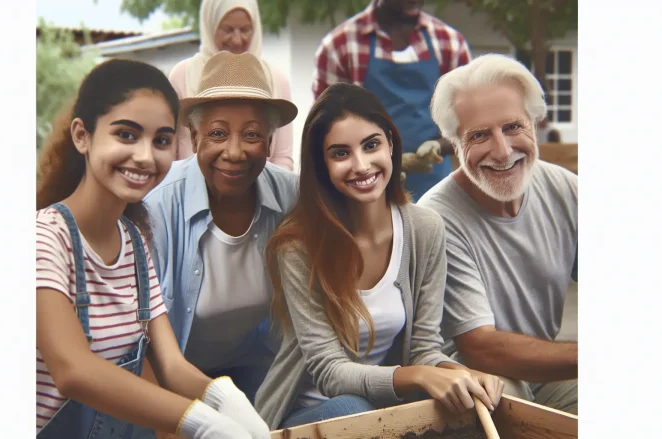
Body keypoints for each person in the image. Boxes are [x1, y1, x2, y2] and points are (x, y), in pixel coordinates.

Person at [35, 58, 270, 439]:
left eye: (161, 140)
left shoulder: (134, 242)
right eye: (126, 135)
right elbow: (73, 371)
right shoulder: (45, 239)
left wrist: (224, 398)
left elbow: (171, 365)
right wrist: (202, 423)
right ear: (82, 135)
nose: (145, 156)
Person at [254, 83, 504, 430]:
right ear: (321, 164)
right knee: (354, 409)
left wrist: (463, 375)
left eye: (371, 145)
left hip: (384, 412)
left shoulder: (424, 229)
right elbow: (329, 371)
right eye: (340, 153)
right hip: (310, 414)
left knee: (470, 406)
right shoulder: (297, 245)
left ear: (390, 142)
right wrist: (417, 376)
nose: (361, 165)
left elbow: (425, 349)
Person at [417, 54, 578, 414]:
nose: (503, 151)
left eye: (512, 127)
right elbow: (481, 347)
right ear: (454, 144)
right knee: (505, 401)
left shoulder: (566, 189)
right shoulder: (437, 217)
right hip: (470, 383)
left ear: (535, 123)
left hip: (543, 374)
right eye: (479, 135)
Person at [144, 52, 299, 409]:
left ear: (271, 143)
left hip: (258, 371)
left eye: (252, 135)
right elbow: (140, 339)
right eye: (217, 133)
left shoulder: (293, 197)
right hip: (173, 379)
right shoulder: (159, 206)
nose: (234, 152)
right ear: (194, 138)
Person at [312, 0, 471, 201]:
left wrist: (438, 146)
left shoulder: (449, 42)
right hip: (365, 183)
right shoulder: (339, 46)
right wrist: (384, 157)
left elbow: (469, 124)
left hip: (435, 186)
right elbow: (325, 129)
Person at [168, 0, 294, 171]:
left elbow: (282, 158)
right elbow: (170, 150)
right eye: (228, 30)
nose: (237, 40)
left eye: (245, 30)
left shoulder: (276, 80)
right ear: (210, 25)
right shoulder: (183, 75)